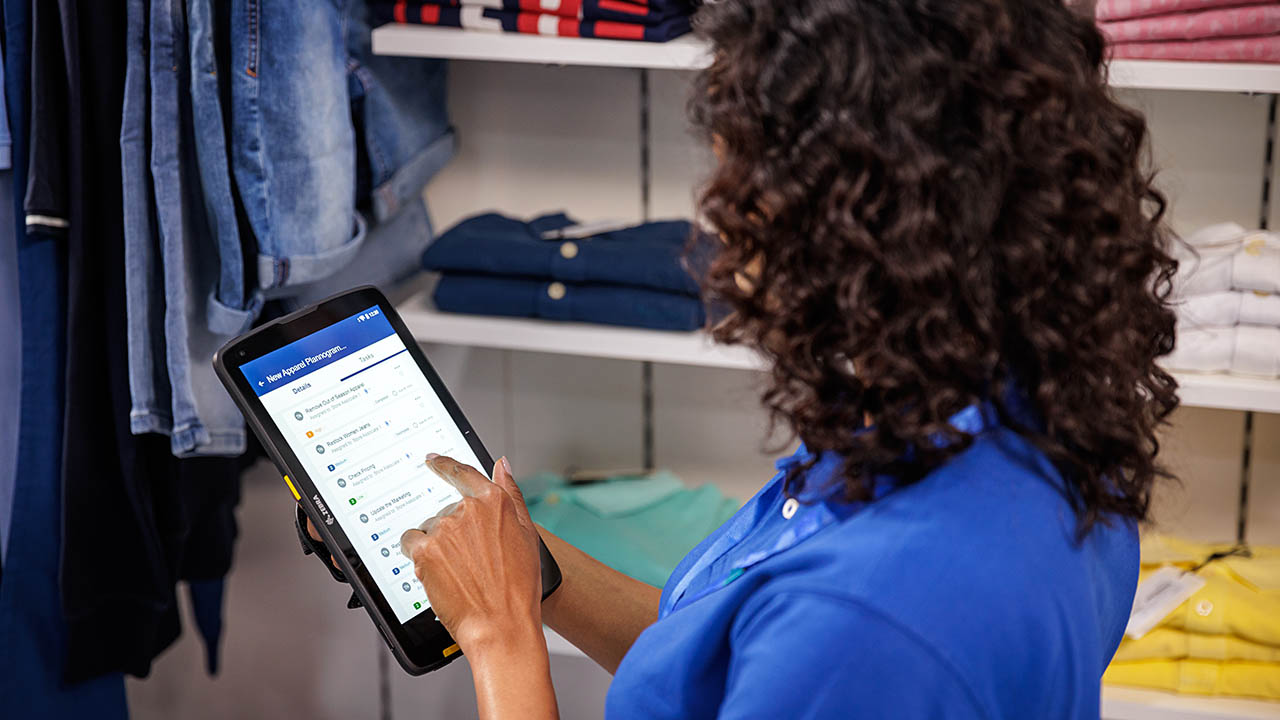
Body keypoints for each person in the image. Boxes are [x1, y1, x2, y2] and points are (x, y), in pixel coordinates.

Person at [315, 0, 1180, 716]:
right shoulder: (1010, 428)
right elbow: (719, 659)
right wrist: (521, 562)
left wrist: (501, 644)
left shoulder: (864, 619)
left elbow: (814, 641)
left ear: (845, 226)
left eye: (738, 189)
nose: (721, 230)